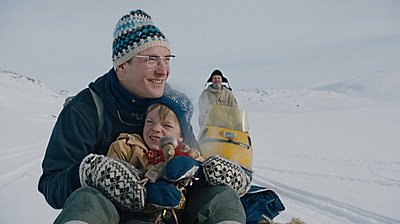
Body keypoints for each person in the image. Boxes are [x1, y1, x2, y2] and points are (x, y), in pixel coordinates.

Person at [38, 9, 246, 224]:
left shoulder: (172, 105)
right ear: (122, 65)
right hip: (113, 215)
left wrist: (204, 173)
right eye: (151, 60)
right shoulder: (86, 109)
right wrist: (92, 174)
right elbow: (51, 185)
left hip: (172, 211)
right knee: (87, 198)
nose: (163, 70)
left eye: (167, 59)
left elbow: (193, 157)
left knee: (220, 196)